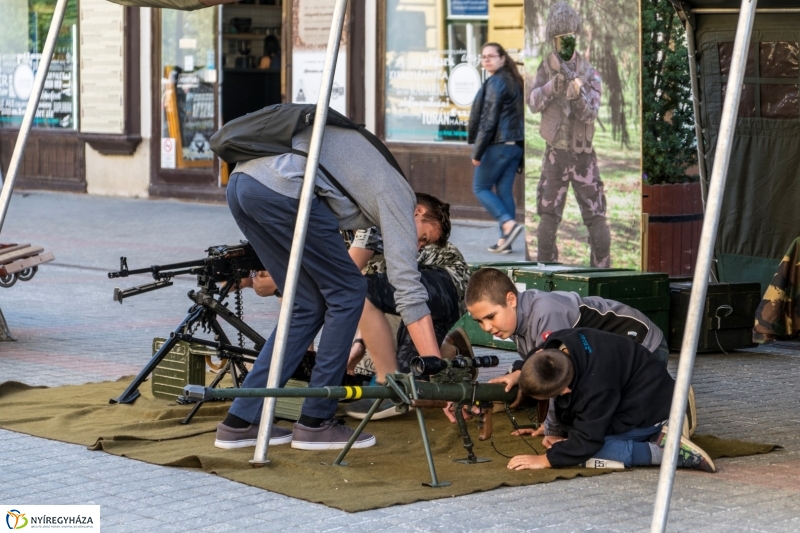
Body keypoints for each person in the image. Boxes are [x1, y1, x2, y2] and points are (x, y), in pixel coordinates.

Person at [215, 123, 444, 452]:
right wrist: (433, 363)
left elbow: (348, 263)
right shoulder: (399, 196)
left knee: (306, 304)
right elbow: (405, 282)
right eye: (422, 236)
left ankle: (240, 421)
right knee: (350, 292)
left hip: (242, 185)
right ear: (418, 211)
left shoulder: (370, 194)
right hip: (283, 189)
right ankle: (316, 422)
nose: (416, 245)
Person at [463, 267, 696, 436]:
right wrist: (516, 374)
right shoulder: (517, 319)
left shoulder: (545, 313)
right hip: (605, 356)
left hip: (646, 347)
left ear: (511, 299)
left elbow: (556, 375)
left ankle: (675, 406)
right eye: (479, 322)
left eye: (490, 317)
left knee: (602, 426)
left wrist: (552, 430)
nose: (487, 328)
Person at [494, 328, 715, 473]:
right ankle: (661, 430)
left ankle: (666, 452)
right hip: (642, 394)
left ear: (566, 389)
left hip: (655, 409)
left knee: (589, 450)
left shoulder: (596, 387)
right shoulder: (556, 346)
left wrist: (546, 460)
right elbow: (539, 369)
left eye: (554, 395)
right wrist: (552, 430)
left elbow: (589, 441)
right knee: (572, 442)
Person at [342, 197, 472, 420]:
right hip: (411, 305)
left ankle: (438, 357)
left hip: (444, 286)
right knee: (402, 380)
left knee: (399, 382)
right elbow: (368, 300)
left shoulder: (385, 219)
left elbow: (346, 281)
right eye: (422, 238)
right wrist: (359, 344)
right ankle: (450, 350)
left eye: (424, 241)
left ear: (418, 212)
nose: (418, 246)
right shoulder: (353, 224)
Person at [529, 2, 611, 267]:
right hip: (555, 156)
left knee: (598, 225)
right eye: (560, 38)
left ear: (576, 36)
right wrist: (551, 87)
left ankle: (603, 279)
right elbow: (532, 103)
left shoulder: (589, 74)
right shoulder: (546, 69)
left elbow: (591, 113)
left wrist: (577, 99)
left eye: (569, 37)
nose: (565, 43)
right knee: (547, 224)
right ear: (554, 40)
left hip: (583, 158)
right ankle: (545, 280)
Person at [467, 42, 525, 254]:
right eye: (483, 57)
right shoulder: (515, 81)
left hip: (499, 144)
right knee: (503, 190)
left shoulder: (496, 82)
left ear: (502, 58)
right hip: (515, 145)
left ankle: (507, 224)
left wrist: (478, 151)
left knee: (480, 187)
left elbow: (489, 120)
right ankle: (505, 240)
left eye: (491, 56)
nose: (487, 60)